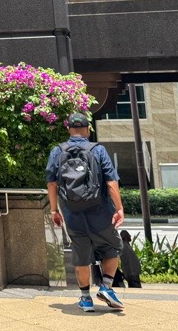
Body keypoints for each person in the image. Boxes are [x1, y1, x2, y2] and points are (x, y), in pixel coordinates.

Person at [47, 113, 127, 313]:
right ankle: (106, 287)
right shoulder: (98, 150)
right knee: (113, 247)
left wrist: (54, 210)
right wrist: (119, 208)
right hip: (100, 212)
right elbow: (111, 182)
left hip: (72, 213)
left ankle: (85, 299)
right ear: (88, 129)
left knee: (81, 253)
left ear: (68, 130)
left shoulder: (57, 151)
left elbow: (52, 183)